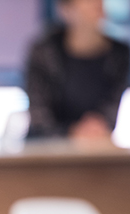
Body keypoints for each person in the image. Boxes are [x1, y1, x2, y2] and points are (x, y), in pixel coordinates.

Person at [25, 0, 130, 141]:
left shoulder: (120, 55)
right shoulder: (44, 52)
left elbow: (113, 109)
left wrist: (96, 128)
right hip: (46, 148)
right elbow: (39, 114)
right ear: (65, 10)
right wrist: (73, 132)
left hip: (96, 146)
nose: (96, 3)